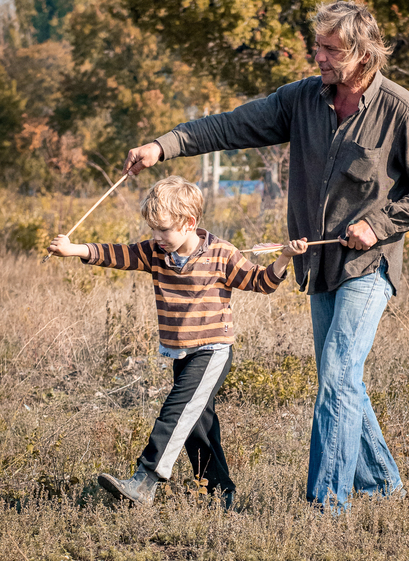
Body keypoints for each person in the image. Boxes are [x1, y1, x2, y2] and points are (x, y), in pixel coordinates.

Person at [122, 1, 409, 510]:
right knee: (339, 378)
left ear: (363, 54)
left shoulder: (400, 110)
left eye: (330, 49)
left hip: (368, 267)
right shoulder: (301, 100)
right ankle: (385, 485)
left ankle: (326, 506)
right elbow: (230, 126)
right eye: (317, 46)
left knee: (340, 375)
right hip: (317, 265)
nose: (318, 56)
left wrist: (379, 224)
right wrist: (163, 147)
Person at [49, 175, 309, 508]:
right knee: (196, 427)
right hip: (181, 352)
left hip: (213, 350)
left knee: (175, 412)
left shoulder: (221, 253)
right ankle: (221, 494)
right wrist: (75, 250)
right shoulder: (155, 253)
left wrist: (285, 257)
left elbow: (261, 281)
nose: (156, 238)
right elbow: (119, 254)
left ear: (189, 223)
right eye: (153, 230)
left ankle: (145, 480)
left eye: (163, 230)